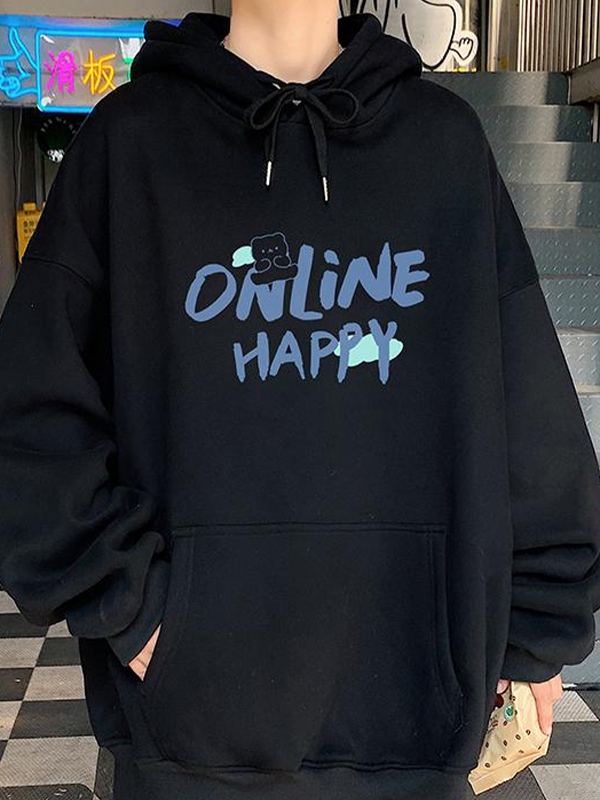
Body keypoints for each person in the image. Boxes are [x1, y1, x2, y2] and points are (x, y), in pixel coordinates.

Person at [0, 1, 599, 798]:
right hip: (190, 738)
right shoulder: (130, 141)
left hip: (415, 730)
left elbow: (529, 409)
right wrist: (128, 601)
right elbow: (29, 413)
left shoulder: (444, 144)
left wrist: (537, 622)